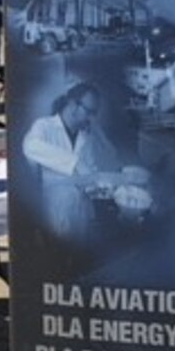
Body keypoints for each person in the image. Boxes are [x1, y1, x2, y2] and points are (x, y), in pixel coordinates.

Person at [23, 82, 118, 240]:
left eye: (94, 114)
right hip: (53, 213)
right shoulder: (45, 126)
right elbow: (30, 146)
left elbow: (89, 169)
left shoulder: (85, 137)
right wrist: (74, 163)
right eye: (89, 112)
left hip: (81, 215)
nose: (91, 118)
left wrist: (97, 187)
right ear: (73, 105)